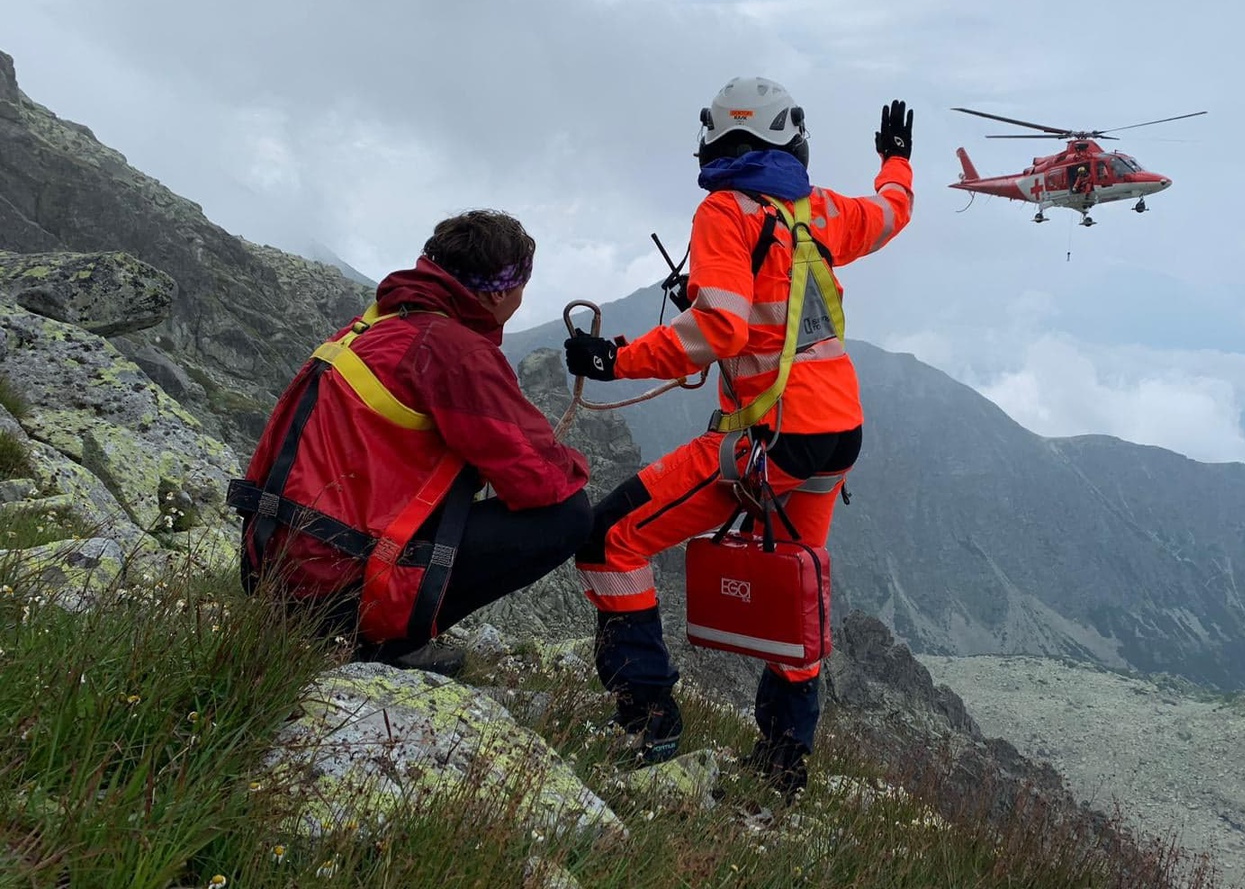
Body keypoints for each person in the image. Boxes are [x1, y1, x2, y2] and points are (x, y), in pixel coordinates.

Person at [563, 77, 915, 795]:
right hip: (837, 435)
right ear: (789, 138)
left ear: (715, 140)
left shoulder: (725, 208)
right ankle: (784, 766)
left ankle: (647, 722)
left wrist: (616, 359)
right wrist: (895, 159)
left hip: (770, 440)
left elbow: (720, 326)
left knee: (610, 539)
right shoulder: (816, 208)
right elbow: (888, 215)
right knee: (798, 583)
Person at [229, 210, 592, 677]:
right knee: (570, 515)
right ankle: (385, 641)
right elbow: (541, 480)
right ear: (502, 291)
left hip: (273, 569)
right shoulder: (454, 351)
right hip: (334, 590)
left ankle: (354, 619)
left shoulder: (372, 326)